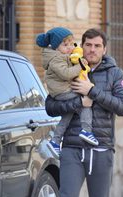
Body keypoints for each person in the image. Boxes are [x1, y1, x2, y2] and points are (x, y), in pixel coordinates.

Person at [45, 28, 123, 197]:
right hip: (71, 148)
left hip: (101, 148)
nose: (92, 49)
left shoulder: (115, 74)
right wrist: (78, 103)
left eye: (97, 46)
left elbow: (122, 107)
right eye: (88, 45)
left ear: (104, 49)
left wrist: (92, 91)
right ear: (81, 46)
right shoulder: (67, 68)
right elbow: (50, 107)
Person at [36, 27, 98, 156]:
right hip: (62, 92)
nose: (70, 47)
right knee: (85, 100)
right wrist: (80, 65)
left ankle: (55, 141)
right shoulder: (56, 59)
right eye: (65, 45)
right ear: (55, 46)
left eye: (71, 43)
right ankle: (86, 130)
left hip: (63, 90)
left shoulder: (61, 56)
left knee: (67, 115)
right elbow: (66, 74)